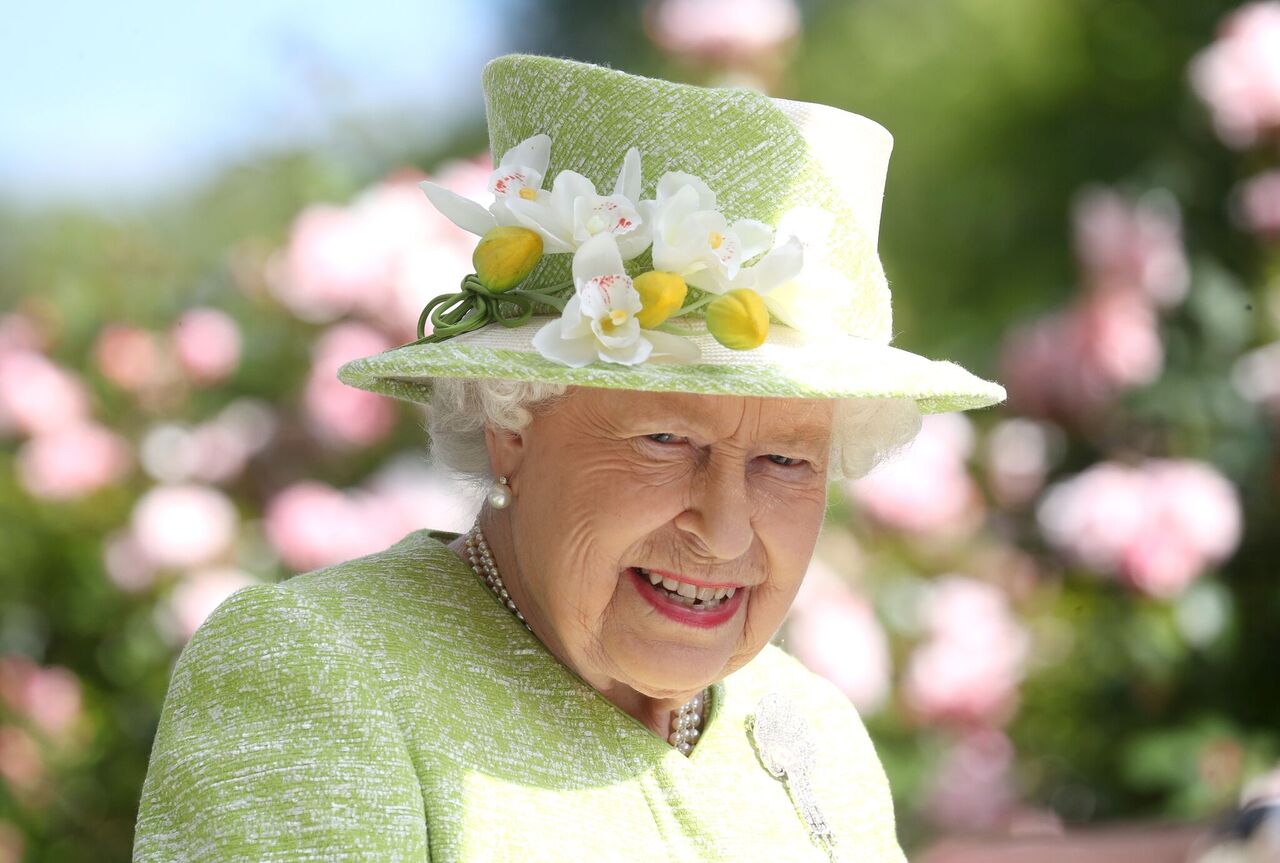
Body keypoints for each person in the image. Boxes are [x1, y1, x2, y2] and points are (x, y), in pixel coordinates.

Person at [132, 54, 1005, 862]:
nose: (725, 525)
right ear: (511, 424)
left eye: (785, 460)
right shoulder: (322, 670)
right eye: (668, 440)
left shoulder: (809, 723)